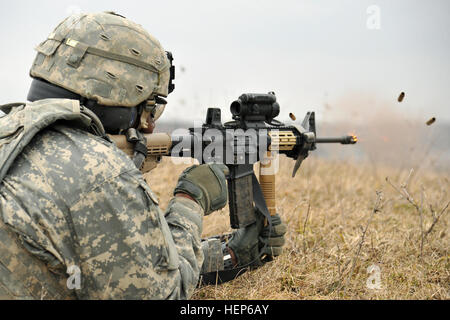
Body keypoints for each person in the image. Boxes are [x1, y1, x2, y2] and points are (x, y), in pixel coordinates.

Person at [0, 12, 286, 300]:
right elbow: (159, 294)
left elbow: (113, 268)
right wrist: (191, 200)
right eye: (150, 107)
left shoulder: (9, 131)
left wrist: (231, 255)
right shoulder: (99, 171)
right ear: (117, 94)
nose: (150, 125)